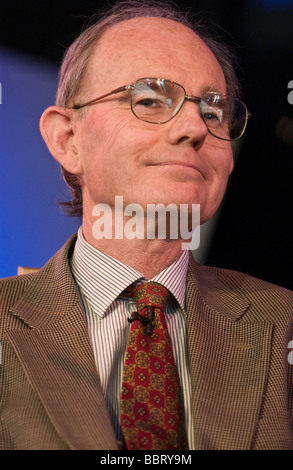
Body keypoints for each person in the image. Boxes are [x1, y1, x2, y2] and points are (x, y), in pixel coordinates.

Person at [0, 0, 293, 450]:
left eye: (214, 111)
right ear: (67, 139)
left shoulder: (284, 326)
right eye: (151, 100)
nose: (195, 126)